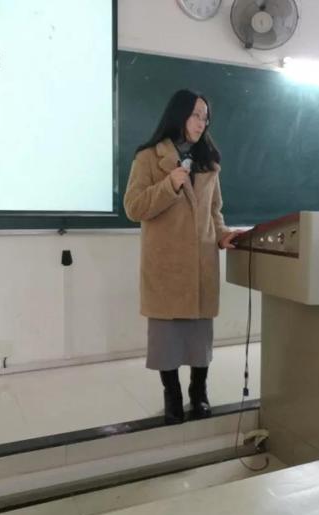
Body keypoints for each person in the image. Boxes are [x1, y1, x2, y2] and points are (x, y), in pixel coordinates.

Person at [124, 89, 242, 425]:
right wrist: (168, 186)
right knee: (167, 339)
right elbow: (134, 208)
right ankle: (172, 395)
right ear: (179, 115)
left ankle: (198, 392)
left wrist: (222, 234)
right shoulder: (148, 157)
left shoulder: (209, 161)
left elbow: (215, 210)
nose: (201, 123)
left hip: (201, 263)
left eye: (205, 117)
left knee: (200, 338)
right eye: (195, 115)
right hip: (166, 264)